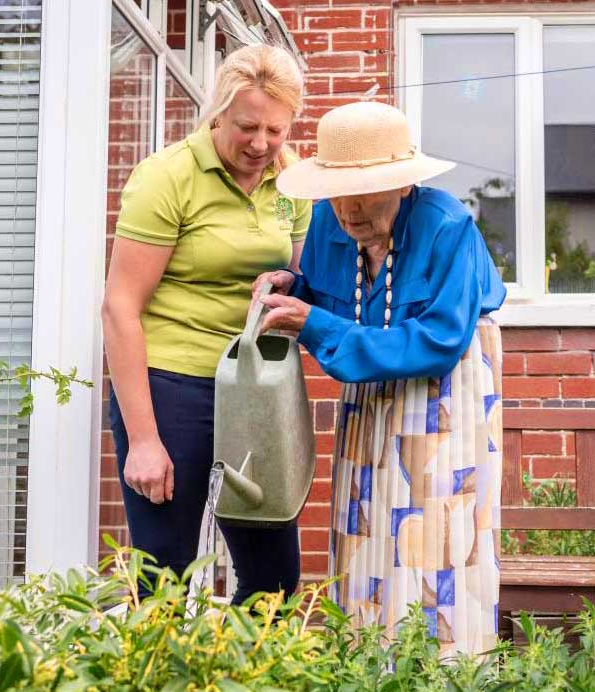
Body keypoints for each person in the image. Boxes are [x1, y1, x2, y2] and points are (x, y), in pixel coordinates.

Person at [253, 101, 507, 656]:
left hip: (443, 396)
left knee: (433, 536)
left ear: (400, 184)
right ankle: (366, 673)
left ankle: (446, 679)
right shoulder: (328, 221)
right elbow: (324, 298)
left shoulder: (448, 227)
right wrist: (290, 292)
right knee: (365, 532)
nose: (348, 210)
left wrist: (316, 323)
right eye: (337, 192)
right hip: (369, 394)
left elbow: (439, 341)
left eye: (364, 192)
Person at [101, 44, 311, 602]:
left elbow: (303, 275)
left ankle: (237, 688)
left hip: (255, 394)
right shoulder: (166, 177)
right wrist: (143, 439)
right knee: (166, 578)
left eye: (276, 130)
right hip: (173, 388)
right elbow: (119, 309)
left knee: (274, 582)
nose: (261, 144)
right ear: (218, 111)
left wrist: (295, 286)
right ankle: (161, 689)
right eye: (247, 126)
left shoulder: (291, 184)